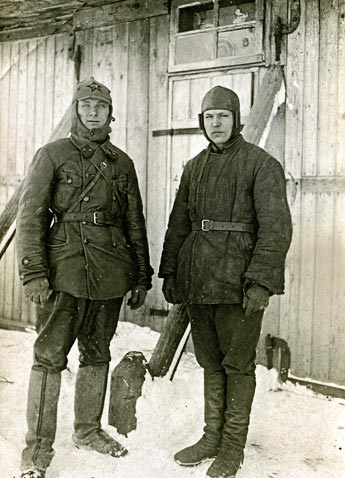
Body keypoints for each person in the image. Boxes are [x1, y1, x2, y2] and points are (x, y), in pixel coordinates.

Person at [16, 78, 153, 478]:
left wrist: (141, 275)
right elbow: (30, 217)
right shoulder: (52, 155)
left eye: (100, 106)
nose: (93, 111)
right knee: (49, 358)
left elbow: (134, 222)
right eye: (86, 105)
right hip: (64, 270)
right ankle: (37, 449)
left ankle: (88, 431)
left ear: (111, 113)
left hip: (110, 271)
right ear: (76, 111)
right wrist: (34, 272)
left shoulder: (122, 163)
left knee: (97, 353)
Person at [158, 85, 292, 478]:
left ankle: (232, 449)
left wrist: (260, 283)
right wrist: (171, 273)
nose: (215, 123)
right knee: (209, 363)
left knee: (237, 365)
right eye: (209, 117)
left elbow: (275, 229)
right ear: (202, 122)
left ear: (236, 119)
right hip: (200, 281)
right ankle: (211, 437)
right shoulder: (194, 166)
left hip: (239, 285)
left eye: (223, 115)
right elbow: (178, 223)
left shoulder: (261, 165)